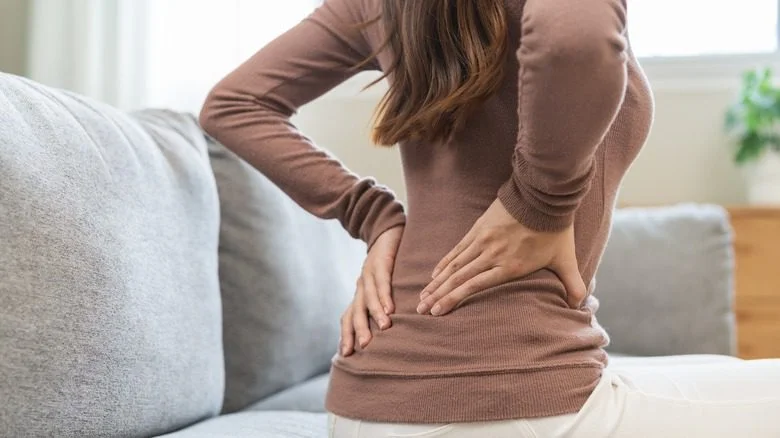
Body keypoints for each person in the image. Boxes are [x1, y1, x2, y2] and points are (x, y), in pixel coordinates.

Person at [200, 0, 780, 436]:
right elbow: (574, 39)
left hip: (361, 408)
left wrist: (374, 215)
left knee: (712, 369)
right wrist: (540, 203)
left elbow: (233, 103)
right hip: (513, 406)